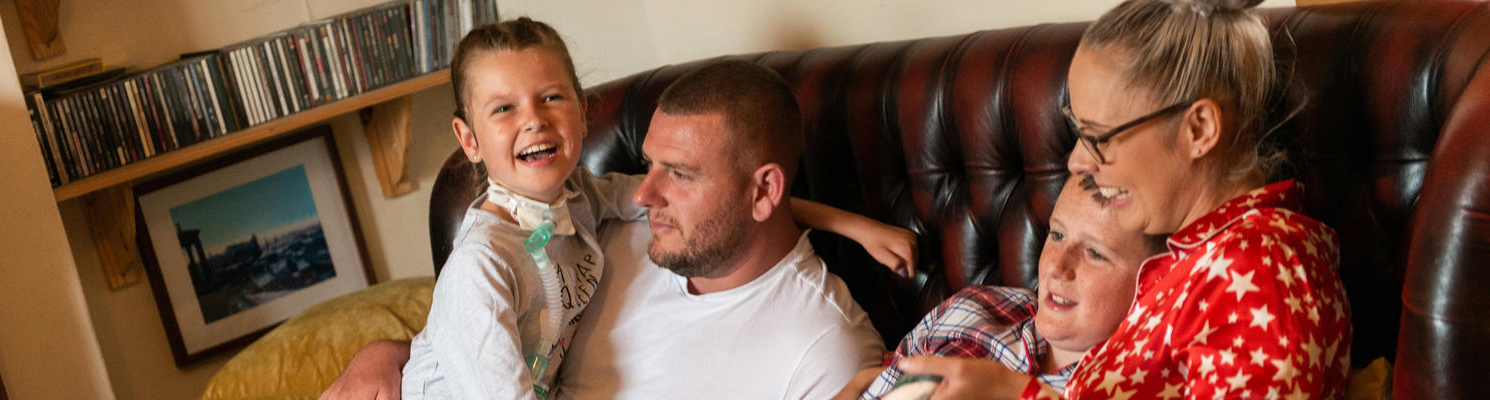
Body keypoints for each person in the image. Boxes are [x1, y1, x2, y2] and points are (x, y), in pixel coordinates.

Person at [325, 54, 905, 398]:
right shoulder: (606, 236)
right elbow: (497, 342)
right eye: (649, 163)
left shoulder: (822, 351)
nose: (646, 192)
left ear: (764, 191)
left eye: (678, 173)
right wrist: (392, 355)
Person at [903, 0, 1353, 399]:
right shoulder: (1197, 260)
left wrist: (1016, 395)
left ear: (1198, 130)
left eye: (1098, 137)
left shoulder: (1260, 272)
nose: (1079, 161)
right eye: (1078, 132)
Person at [833, 175, 1167, 399]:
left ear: (1151, 280)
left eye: (1095, 253)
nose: (1056, 266)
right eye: (1057, 235)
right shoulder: (978, 306)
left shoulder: (1134, 386)